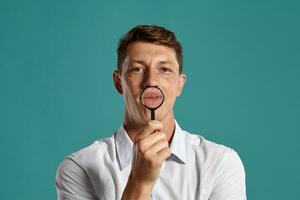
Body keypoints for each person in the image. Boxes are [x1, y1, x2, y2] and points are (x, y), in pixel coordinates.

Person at [55, 25, 246, 200]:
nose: (151, 81)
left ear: (179, 85)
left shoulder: (220, 163)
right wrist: (139, 183)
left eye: (164, 69)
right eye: (137, 69)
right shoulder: (78, 169)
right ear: (118, 82)